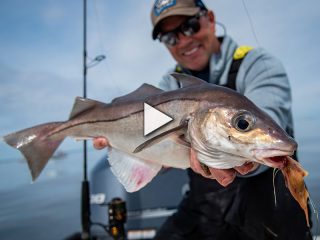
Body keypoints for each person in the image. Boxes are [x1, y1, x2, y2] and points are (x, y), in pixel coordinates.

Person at [94, 0, 313, 239]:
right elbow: (151, 134)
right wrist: (116, 132)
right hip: (205, 209)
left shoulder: (256, 63)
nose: (183, 40)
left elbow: (271, 117)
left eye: (189, 26)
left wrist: (245, 157)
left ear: (209, 17)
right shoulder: (169, 86)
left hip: (268, 209)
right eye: (170, 38)